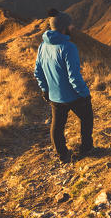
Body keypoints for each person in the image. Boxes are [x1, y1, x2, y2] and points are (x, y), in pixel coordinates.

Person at [34, 9, 94, 162]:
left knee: (57, 126)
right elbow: (74, 77)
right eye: (70, 25)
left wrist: (44, 89)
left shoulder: (42, 46)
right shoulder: (68, 48)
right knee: (86, 118)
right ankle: (86, 148)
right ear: (63, 28)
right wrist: (84, 93)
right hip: (73, 96)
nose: (72, 28)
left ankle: (62, 155)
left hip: (54, 96)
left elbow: (38, 71)